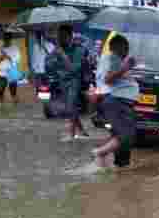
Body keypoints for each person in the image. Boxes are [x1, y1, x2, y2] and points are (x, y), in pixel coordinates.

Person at [91, 34, 139, 169]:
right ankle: (100, 153)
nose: (127, 51)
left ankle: (120, 166)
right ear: (118, 47)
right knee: (126, 136)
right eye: (126, 48)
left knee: (120, 136)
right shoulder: (112, 58)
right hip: (117, 102)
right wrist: (125, 67)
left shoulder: (110, 59)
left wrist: (126, 67)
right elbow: (108, 79)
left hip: (118, 102)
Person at [50, 25, 88, 140]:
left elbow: (74, 69)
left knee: (71, 106)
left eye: (63, 36)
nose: (60, 38)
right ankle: (81, 130)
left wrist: (62, 55)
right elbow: (51, 66)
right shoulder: (58, 49)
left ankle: (71, 134)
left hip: (75, 81)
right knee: (71, 107)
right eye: (59, 36)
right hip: (63, 81)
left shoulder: (79, 49)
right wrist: (53, 57)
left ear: (70, 36)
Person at [0, 32, 21, 104]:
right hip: (2, 73)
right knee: (0, 90)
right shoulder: (0, 48)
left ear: (10, 39)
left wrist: (9, 57)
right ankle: (0, 102)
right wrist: (0, 58)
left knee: (13, 91)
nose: (6, 40)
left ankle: (15, 102)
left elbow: (18, 59)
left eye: (8, 38)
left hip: (11, 72)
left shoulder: (15, 48)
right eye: (5, 38)